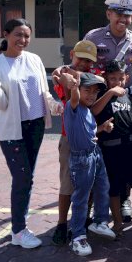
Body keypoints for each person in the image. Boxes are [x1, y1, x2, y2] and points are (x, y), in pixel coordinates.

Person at [0, 18, 63, 249]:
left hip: (36, 126)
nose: (22, 40)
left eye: (26, 36)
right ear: (6, 35)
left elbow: (44, 91)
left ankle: (19, 225)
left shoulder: (34, 60)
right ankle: (18, 231)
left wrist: (55, 106)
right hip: (13, 130)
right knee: (22, 178)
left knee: (27, 177)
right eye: (18, 35)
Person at [91, 60, 132, 233]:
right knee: (115, 187)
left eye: (120, 78)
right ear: (106, 79)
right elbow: (94, 111)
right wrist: (110, 92)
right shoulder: (102, 95)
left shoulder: (129, 96)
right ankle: (118, 222)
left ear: (126, 78)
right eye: (113, 79)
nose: (117, 82)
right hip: (111, 149)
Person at [60, 71, 117, 256]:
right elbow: (74, 98)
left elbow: (89, 132)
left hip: (95, 153)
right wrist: (75, 89)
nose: (91, 95)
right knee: (81, 198)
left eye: (95, 92)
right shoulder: (73, 106)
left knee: (103, 187)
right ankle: (77, 236)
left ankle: (99, 222)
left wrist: (102, 128)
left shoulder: (87, 111)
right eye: (87, 90)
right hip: (81, 159)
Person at [50, 40, 97, 246]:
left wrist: (74, 77)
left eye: (88, 61)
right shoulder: (61, 76)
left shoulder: (91, 77)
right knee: (67, 183)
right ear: (72, 54)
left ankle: (84, 220)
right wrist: (66, 78)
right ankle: (62, 224)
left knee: (89, 183)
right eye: (81, 58)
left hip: (90, 137)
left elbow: (96, 94)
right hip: (69, 138)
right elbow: (70, 101)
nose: (84, 63)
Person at [83, 0, 132, 77]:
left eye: (127, 16)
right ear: (108, 14)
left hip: (126, 89)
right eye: (119, 15)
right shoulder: (92, 37)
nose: (123, 20)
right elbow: (80, 64)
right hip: (99, 89)